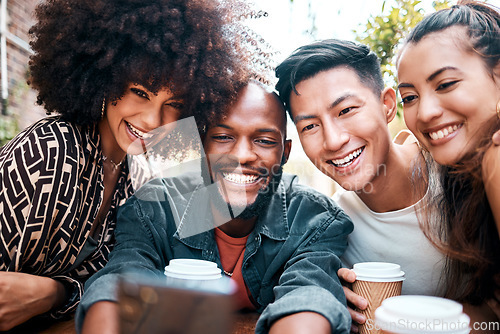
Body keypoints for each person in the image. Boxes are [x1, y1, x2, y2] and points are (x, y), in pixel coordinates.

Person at [0, 0, 252, 330]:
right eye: (140, 92)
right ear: (104, 77)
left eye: (174, 104)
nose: (153, 120)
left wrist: (56, 292)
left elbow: (212, 259)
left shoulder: (157, 158)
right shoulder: (50, 150)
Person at [76, 80, 353, 334]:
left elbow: (309, 296)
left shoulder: (314, 220)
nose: (242, 155)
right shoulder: (155, 208)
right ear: (202, 146)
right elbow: (121, 281)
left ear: (285, 152)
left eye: (265, 141)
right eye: (222, 137)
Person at [275, 38, 497, 332]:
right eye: (310, 126)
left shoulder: (463, 173)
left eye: (346, 111)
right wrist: (331, 302)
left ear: (388, 105)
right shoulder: (328, 228)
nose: (333, 140)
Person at [396, 0, 500, 320]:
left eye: (446, 84)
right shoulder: (462, 176)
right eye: (410, 97)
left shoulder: (496, 155)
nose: (425, 113)